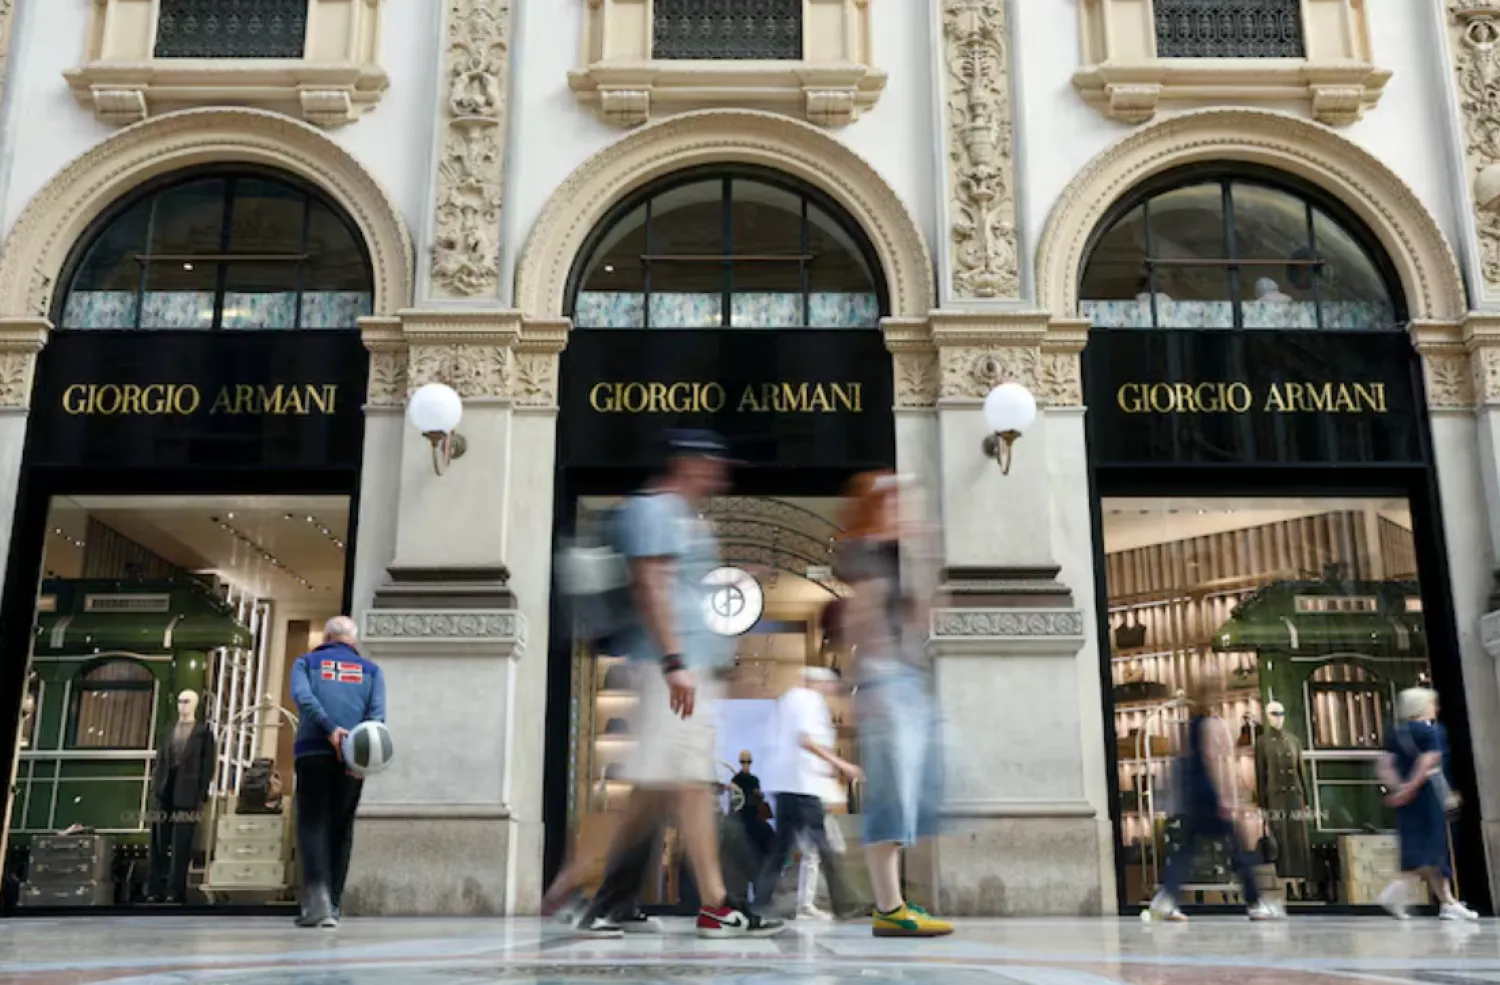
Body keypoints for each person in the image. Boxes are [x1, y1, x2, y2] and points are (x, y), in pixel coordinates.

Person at [571, 429, 784, 938]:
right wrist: (673, 662)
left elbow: (679, 588)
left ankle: (607, 903)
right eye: (712, 461)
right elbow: (650, 585)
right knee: (689, 786)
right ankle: (713, 903)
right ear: (687, 462)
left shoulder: (685, 519)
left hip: (685, 671)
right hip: (671, 672)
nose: (720, 472)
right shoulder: (657, 510)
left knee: (656, 792)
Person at [834, 471, 953, 938]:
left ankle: (894, 902)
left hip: (902, 680)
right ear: (878, 508)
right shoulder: (867, 554)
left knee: (915, 795)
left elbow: (921, 616)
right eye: (896, 504)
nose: (905, 512)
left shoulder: (892, 556)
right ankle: (888, 906)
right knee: (891, 798)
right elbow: (859, 621)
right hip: (885, 682)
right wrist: (866, 688)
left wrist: (925, 552)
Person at [1149, 679, 1278, 922]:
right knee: (1237, 849)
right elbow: (1215, 763)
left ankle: (1166, 898)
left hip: (1194, 796)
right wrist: (1227, 798)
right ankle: (1255, 902)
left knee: (1187, 851)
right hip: (1209, 795)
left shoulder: (1191, 725)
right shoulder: (1210, 725)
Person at [289, 615, 385, 929]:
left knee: (312, 823)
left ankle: (316, 904)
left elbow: (303, 698)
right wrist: (362, 758)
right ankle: (333, 904)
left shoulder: (305, 662)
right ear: (352, 641)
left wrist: (330, 730)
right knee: (342, 827)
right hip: (353, 758)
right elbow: (377, 717)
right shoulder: (372, 671)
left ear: (327, 637)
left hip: (313, 750)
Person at [752, 666, 860, 920]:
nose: (831, 689)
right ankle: (845, 904)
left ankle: (759, 903)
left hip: (787, 785)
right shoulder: (808, 700)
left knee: (782, 850)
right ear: (818, 683)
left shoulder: (789, 700)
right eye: (829, 684)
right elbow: (806, 740)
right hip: (803, 786)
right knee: (823, 845)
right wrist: (842, 764)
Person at [1375, 686, 1478, 920]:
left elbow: (1384, 764)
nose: (1436, 708)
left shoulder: (1395, 733)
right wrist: (1411, 787)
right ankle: (1396, 892)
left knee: (1424, 847)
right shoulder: (1432, 732)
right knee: (1433, 847)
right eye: (1433, 704)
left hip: (1407, 800)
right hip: (1427, 796)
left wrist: (1398, 789)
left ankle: (1448, 902)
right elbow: (1428, 761)